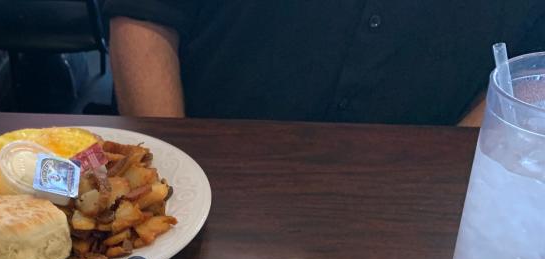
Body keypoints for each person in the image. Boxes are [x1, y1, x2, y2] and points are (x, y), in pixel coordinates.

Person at [103, 1, 545, 126]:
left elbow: (530, 71)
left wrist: (459, 185)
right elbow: (144, 15)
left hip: (423, 206)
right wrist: (167, 171)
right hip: (207, 174)